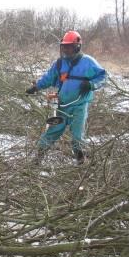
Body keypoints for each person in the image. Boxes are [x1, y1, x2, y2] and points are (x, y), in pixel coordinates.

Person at [25, 30, 106, 165]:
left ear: (77, 47)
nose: (66, 50)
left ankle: (80, 161)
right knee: (51, 132)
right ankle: (37, 159)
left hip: (79, 105)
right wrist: (35, 87)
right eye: (64, 46)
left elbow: (103, 77)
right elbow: (48, 78)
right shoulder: (59, 64)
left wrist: (91, 84)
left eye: (69, 46)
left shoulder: (88, 63)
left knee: (77, 137)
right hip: (62, 106)